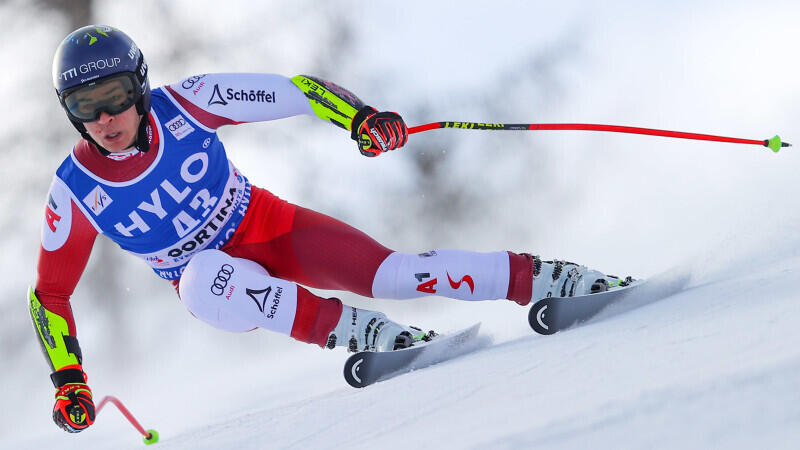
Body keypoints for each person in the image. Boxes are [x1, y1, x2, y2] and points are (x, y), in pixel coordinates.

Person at [31, 25, 628, 434]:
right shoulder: (75, 190)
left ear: (137, 85)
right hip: (212, 285)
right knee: (205, 276)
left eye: (113, 96)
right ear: (71, 113)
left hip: (268, 225)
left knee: (396, 275)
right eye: (85, 106)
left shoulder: (188, 102)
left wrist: (361, 118)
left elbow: (299, 91)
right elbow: (49, 295)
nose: (105, 117)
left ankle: (551, 278)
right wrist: (69, 381)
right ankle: (361, 333)